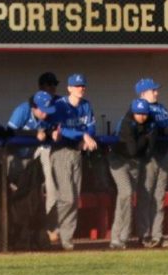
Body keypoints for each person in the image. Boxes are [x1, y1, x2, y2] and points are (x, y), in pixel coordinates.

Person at [134, 78, 168, 248]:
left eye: (156, 90)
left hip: (164, 154)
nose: (156, 93)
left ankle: (157, 235)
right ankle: (144, 235)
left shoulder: (162, 108)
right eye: (153, 90)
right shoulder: (140, 108)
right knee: (146, 196)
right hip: (148, 157)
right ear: (143, 93)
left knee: (159, 197)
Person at [49, 73, 97, 251]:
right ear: (69, 88)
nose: (80, 88)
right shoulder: (60, 105)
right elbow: (62, 131)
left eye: (82, 85)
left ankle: (66, 239)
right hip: (61, 152)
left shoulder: (86, 105)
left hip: (77, 153)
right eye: (77, 86)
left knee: (74, 198)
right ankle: (52, 227)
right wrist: (82, 135)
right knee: (67, 197)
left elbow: (91, 127)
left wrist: (86, 137)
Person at [108, 98, 155, 250]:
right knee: (127, 193)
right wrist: (145, 138)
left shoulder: (149, 121)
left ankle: (117, 238)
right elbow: (132, 149)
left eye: (144, 113)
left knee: (124, 198)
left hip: (135, 163)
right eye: (138, 113)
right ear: (133, 112)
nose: (142, 116)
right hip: (118, 161)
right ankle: (122, 236)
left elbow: (150, 143)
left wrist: (148, 138)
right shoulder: (126, 123)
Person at [35, 71, 61, 240]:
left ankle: (52, 228)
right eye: (49, 84)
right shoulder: (34, 103)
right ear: (41, 86)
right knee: (36, 190)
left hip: (56, 150)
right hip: (40, 150)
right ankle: (39, 228)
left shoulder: (60, 102)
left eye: (54, 84)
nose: (52, 88)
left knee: (54, 190)